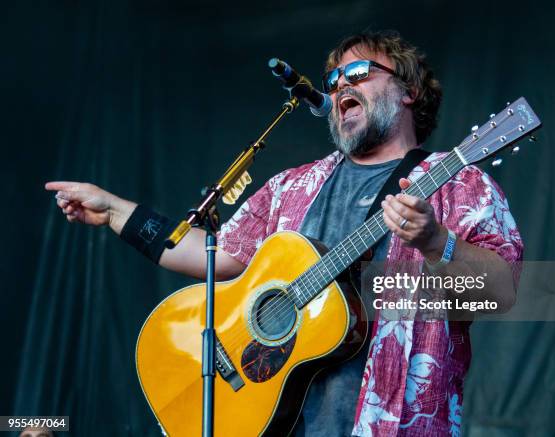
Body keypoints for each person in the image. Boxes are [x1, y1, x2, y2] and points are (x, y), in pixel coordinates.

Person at [46, 30, 522, 436]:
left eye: (358, 74)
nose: (339, 87)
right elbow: (205, 255)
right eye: (333, 81)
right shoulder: (291, 188)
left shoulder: (457, 181)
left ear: (408, 91)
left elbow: (501, 292)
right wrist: (113, 211)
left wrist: (435, 243)